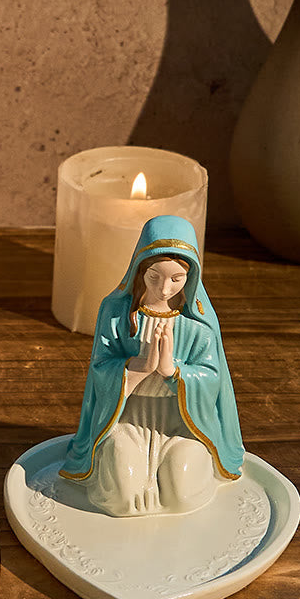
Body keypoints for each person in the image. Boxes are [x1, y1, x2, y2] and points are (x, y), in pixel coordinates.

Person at [60, 214, 244, 515]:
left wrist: (174, 372)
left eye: (176, 279)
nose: (165, 288)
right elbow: (99, 369)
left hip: (182, 425)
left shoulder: (197, 325)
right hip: (126, 420)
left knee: (181, 496)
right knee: (123, 499)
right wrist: (139, 367)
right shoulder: (117, 314)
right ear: (140, 270)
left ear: (190, 277)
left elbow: (213, 379)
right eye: (154, 277)